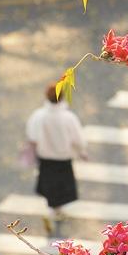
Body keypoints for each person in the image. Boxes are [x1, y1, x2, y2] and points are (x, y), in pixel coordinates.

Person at [25, 83, 88, 231]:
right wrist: (81, 151)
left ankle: (52, 210)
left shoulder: (39, 116)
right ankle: (56, 211)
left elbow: (32, 135)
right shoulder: (68, 117)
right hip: (63, 158)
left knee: (49, 184)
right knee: (62, 186)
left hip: (45, 158)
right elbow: (77, 138)